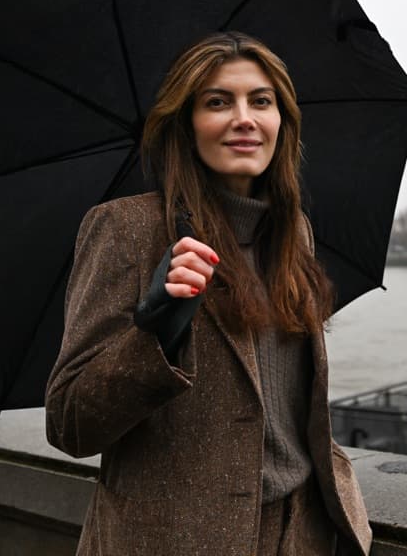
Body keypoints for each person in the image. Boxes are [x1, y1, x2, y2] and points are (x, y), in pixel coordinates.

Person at [46, 32, 371, 556]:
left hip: (298, 534)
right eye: (218, 102)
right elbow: (69, 424)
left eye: (261, 101)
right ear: (186, 124)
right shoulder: (126, 230)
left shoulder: (296, 233)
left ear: (282, 121)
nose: (244, 118)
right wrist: (157, 332)